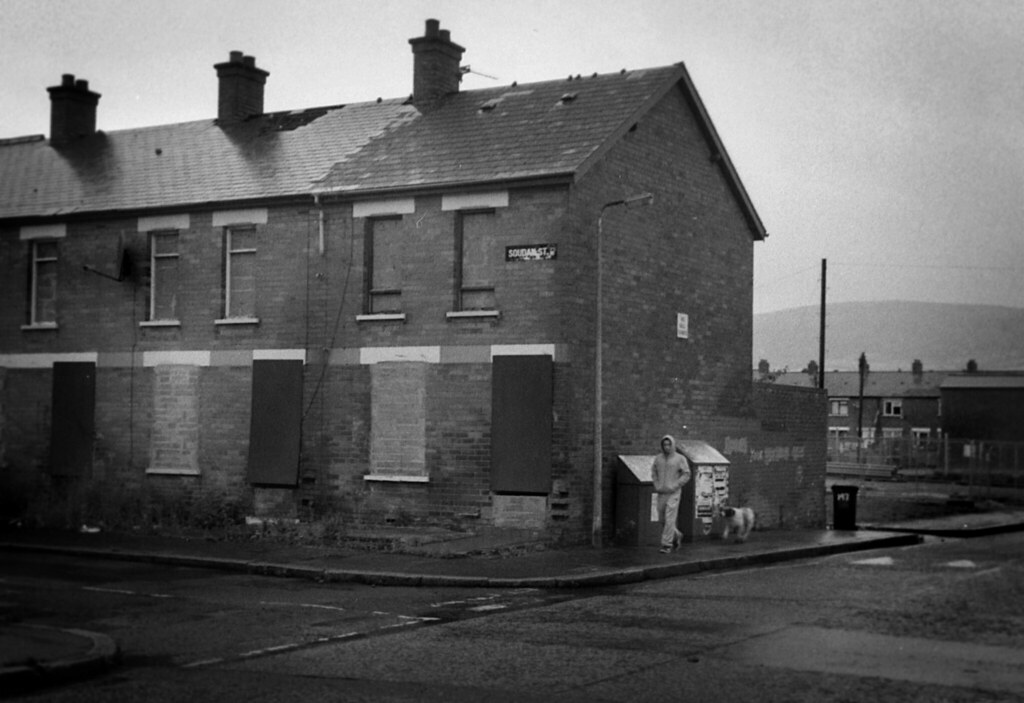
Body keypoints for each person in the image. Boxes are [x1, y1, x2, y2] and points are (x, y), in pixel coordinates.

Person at [651, 434, 691, 553]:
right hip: (661, 492)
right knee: (662, 519)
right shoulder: (658, 459)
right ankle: (676, 534)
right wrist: (656, 485)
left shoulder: (680, 459)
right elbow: (654, 472)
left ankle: (666, 545)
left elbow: (686, 474)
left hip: (673, 493)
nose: (667, 447)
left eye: (669, 444)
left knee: (670, 518)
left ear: (672, 445)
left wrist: (675, 485)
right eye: (664, 444)